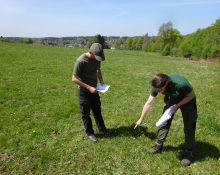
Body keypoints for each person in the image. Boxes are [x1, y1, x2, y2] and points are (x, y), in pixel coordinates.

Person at [134, 73, 198, 166]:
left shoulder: (181, 84)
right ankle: (158, 145)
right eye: (157, 89)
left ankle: (189, 152)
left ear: (167, 83)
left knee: (189, 125)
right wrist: (141, 119)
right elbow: (149, 102)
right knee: (164, 120)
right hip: (174, 97)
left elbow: (191, 95)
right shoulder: (157, 85)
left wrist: (177, 106)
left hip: (188, 99)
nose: (158, 91)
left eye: (160, 90)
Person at [72, 43, 109, 142]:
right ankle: (90, 133)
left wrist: (101, 82)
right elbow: (74, 79)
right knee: (85, 113)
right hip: (84, 91)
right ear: (90, 52)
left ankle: (102, 129)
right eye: (96, 57)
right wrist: (88, 87)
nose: (98, 59)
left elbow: (98, 70)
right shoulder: (81, 61)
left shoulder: (97, 59)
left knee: (97, 111)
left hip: (94, 90)